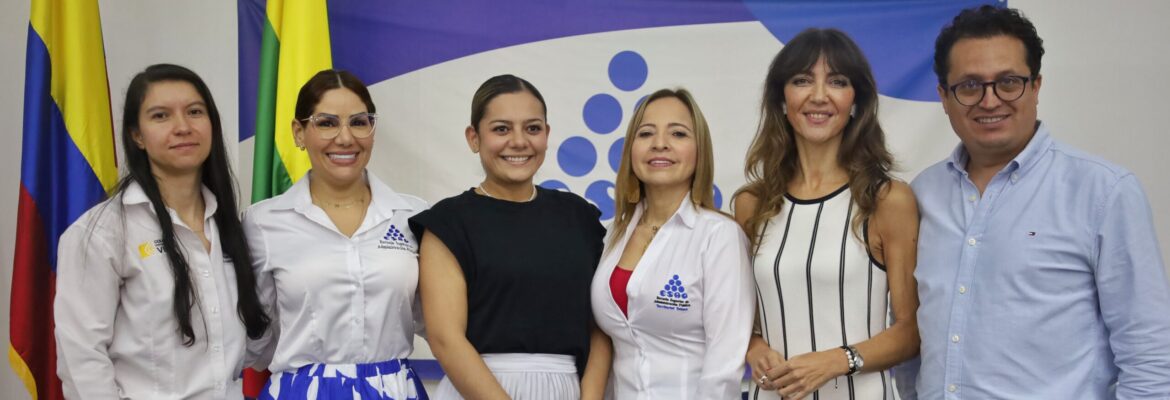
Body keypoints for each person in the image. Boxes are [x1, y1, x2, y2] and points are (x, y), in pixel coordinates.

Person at [909, 5, 1170, 398]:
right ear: (944, 97)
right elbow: (911, 339)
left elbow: (1150, 354)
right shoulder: (921, 195)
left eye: (1008, 82)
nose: (990, 101)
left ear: (1036, 86)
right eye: (970, 86)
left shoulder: (1103, 192)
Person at [54, 64, 270, 399]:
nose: (183, 127)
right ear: (136, 135)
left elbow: (256, 343)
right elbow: (82, 362)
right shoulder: (103, 233)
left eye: (195, 112)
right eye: (161, 116)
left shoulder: (230, 226)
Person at [734, 28, 921, 400]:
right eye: (802, 80)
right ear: (782, 100)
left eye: (837, 81)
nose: (819, 96)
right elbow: (740, 321)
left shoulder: (887, 200)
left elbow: (910, 332)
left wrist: (838, 360)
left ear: (856, 102)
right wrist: (753, 347)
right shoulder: (752, 204)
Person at [409, 74, 608, 400]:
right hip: (478, 390)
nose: (519, 141)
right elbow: (446, 339)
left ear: (547, 135)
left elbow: (601, 326)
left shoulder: (579, 218)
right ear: (474, 138)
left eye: (532, 128)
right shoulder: (448, 222)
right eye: (501, 129)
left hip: (569, 389)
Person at [243, 69, 428, 399]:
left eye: (359, 122)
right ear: (299, 132)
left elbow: (436, 321)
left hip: (394, 390)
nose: (345, 138)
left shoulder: (413, 215)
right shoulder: (263, 222)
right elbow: (256, 340)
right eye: (327, 123)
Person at [590, 88, 755, 399]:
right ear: (630, 150)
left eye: (678, 133)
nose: (660, 143)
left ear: (699, 151)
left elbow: (725, 363)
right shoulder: (611, 235)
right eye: (646, 133)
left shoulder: (720, 236)